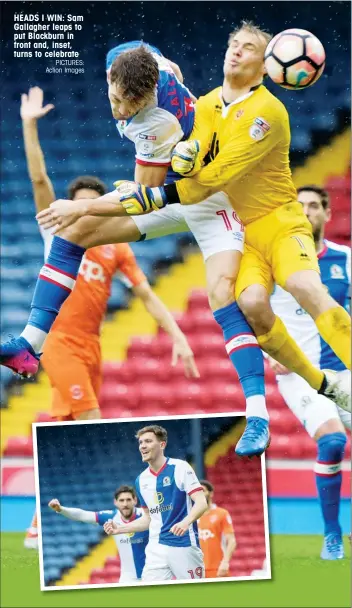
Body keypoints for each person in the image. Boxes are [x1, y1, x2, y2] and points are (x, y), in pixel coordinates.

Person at [33, 27, 350, 453]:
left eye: (250, 48)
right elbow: (182, 111)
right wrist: (177, 156)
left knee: (302, 287)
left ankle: (280, 403)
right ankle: (325, 384)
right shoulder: (205, 105)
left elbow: (203, 184)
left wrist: (108, 199)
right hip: (233, 223)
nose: (237, 50)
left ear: (269, 65)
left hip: (266, 218)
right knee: (253, 304)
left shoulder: (265, 114)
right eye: (233, 44)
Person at [2, 43, 268, 457]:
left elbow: (145, 198)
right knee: (72, 234)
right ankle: (30, 343)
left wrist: (83, 204)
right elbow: (151, 52)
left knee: (222, 296)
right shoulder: (129, 60)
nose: (120, 112)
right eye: (116, 100)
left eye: (131, 106)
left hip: (213, 198)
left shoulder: (156, 122)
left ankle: (257, 414)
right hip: (174, 190)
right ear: (111, 77)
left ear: (148, 97)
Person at [19, 87, 197, 550]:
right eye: (73, 205)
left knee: (62, 429)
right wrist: (30, 125)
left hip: (92, 347)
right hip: (58, 342)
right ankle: (106, 526)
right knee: (93, 421)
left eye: (86, 207)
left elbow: (147, 295)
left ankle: (40, 522)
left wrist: (178, 333)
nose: (78, 217)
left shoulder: (114, 246)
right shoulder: (56, 233)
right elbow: (39, 179)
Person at [268, 185, 351, 560]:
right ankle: (332, 534)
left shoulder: (344, 259)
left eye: (314, 206)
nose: (306, 211)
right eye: (298, 205)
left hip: (344, 371)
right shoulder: (270, 262)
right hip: (300, 374)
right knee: (332, 442)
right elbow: (245, 311)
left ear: (327, 214)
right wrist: (267, 350)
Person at [103, 425, 207, 581]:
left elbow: (201, 502)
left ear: (162, 444)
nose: (142, 446)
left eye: (148, 441)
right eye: (140, 442)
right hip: (155, 547)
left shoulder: (180, 467)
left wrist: (185, 523)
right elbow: (148, 519)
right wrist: (120, 528)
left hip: (184, 544)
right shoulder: (141, 480)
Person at [48, 485, 148, 582]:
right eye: (121, 500)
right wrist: (60, 509)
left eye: (128, 500)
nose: (125, 504)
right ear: (115, 502)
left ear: (135, 500)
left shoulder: (147, 516)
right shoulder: (111, 517)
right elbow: (83, 515)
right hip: (128, 578)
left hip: (151, 574)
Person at [197, 480, 236, 578]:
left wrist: (225, 562)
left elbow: (232, 540)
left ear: (211, 494)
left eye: (203, 490)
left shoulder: (221, 514)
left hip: (217, 569)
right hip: (197, 570)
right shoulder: (191, 517)